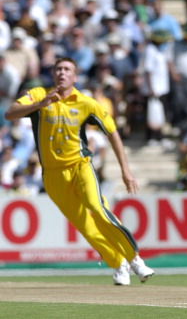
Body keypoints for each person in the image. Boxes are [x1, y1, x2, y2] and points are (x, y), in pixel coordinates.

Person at [4, 57, 154, 286]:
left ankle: (135, 260)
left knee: (98, 208)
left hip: (80, 166)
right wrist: (39, 105)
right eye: (58, 69)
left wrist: (126, 171)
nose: (62, 73)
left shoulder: (86, 103)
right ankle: (118, 264)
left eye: (67, 70)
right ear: (53, 74)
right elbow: (10, 113)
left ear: (75, 77)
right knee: (85, 226)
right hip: (52, 174)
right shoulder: (38, 94)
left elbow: (112, 132)